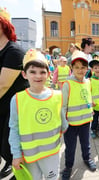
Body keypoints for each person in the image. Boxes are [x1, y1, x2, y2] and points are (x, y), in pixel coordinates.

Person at [8, 49, 68, 180]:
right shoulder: (17, 99)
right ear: (24, 74)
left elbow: (62, 120)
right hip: (29, 155)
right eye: (32, 72)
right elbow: (14, 128)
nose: (38, 76)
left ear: (49, 74)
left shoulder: (57, 96)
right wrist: (16, 154)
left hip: (51, 152)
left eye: (42, 72)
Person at [0, 7, 28, 180]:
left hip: (13, 113)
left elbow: (2, 86)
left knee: (10, 150)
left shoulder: (14, 51)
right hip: (3, 110)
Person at [61, 50, 96, 180]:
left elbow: (87, 97)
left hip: (86, 121)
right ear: (72, 68)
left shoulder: (88, 81)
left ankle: (87, 159)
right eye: (77, 67)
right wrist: (64, 123)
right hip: (71, 123)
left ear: (87, 68)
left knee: (86, 144)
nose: (80, 70)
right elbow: (63, 106)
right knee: (70, 147)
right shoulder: (67, 84)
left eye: (83, 67)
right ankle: (68, 166)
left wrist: (90, 107)